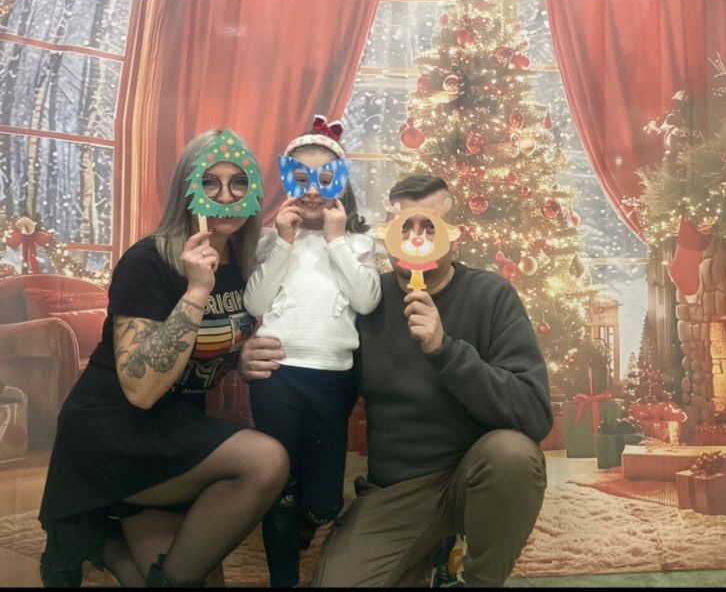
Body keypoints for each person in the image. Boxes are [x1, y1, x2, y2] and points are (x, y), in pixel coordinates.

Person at [240, 173, 552, 588]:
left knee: (513, 454)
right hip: (398, 491)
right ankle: (430, 556)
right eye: (406, 227)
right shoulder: (366, 299)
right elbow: (322, 376)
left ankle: (476, 579)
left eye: (430, 227)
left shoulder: (491, 295)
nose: (416, 237)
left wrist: (445, 350)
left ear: (454, 237)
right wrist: (253, 358)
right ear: (387, 235)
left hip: (476, 475)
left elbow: (533, 414)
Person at [38, 129, 290, 588]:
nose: (225, 196)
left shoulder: (244, 262)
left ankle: (99, 542)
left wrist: (239, 357)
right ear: (186, 189)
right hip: (114, 433)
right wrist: (196, 291)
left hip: (176, 430)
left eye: (239, 183)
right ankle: (95, 527)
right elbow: (141, 390)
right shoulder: (149, 261)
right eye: (210, 182)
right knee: (265, 460)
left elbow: (210, 345)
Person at [243, 115, 381, 588]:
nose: (313, 191)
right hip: (276, 377)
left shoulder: (358, 243)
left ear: (342, 182)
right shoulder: (272, 240)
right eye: (300, 178)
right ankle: (282, 571)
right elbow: (255, 304)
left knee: (323, 496)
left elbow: (367, 301)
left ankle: (311, 516)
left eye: (325, 178)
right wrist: (282, 243)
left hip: (333, 378)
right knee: (279, 480)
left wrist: (337, 241)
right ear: (287, 180)